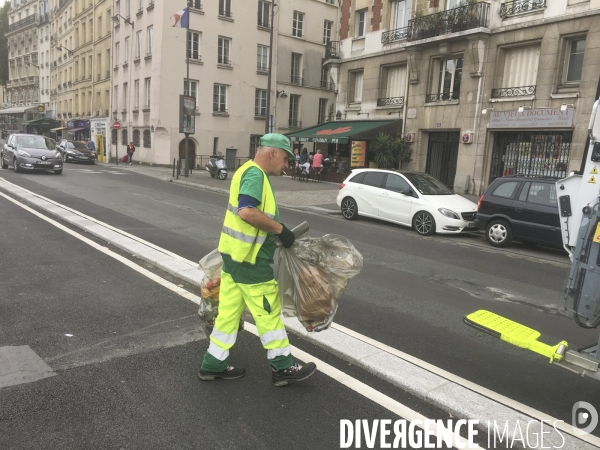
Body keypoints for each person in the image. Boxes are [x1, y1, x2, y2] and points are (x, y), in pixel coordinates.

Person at [199, 133, 317, 387]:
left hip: (234, 258)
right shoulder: (255, 175)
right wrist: (280, 230)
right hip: (250, 261)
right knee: (268, 314)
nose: (285, 165)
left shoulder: (245, 170)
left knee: (228, 315)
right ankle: (283, 367)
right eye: (285, 158)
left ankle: (213, 363)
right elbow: (247, 211)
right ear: (272, 152)